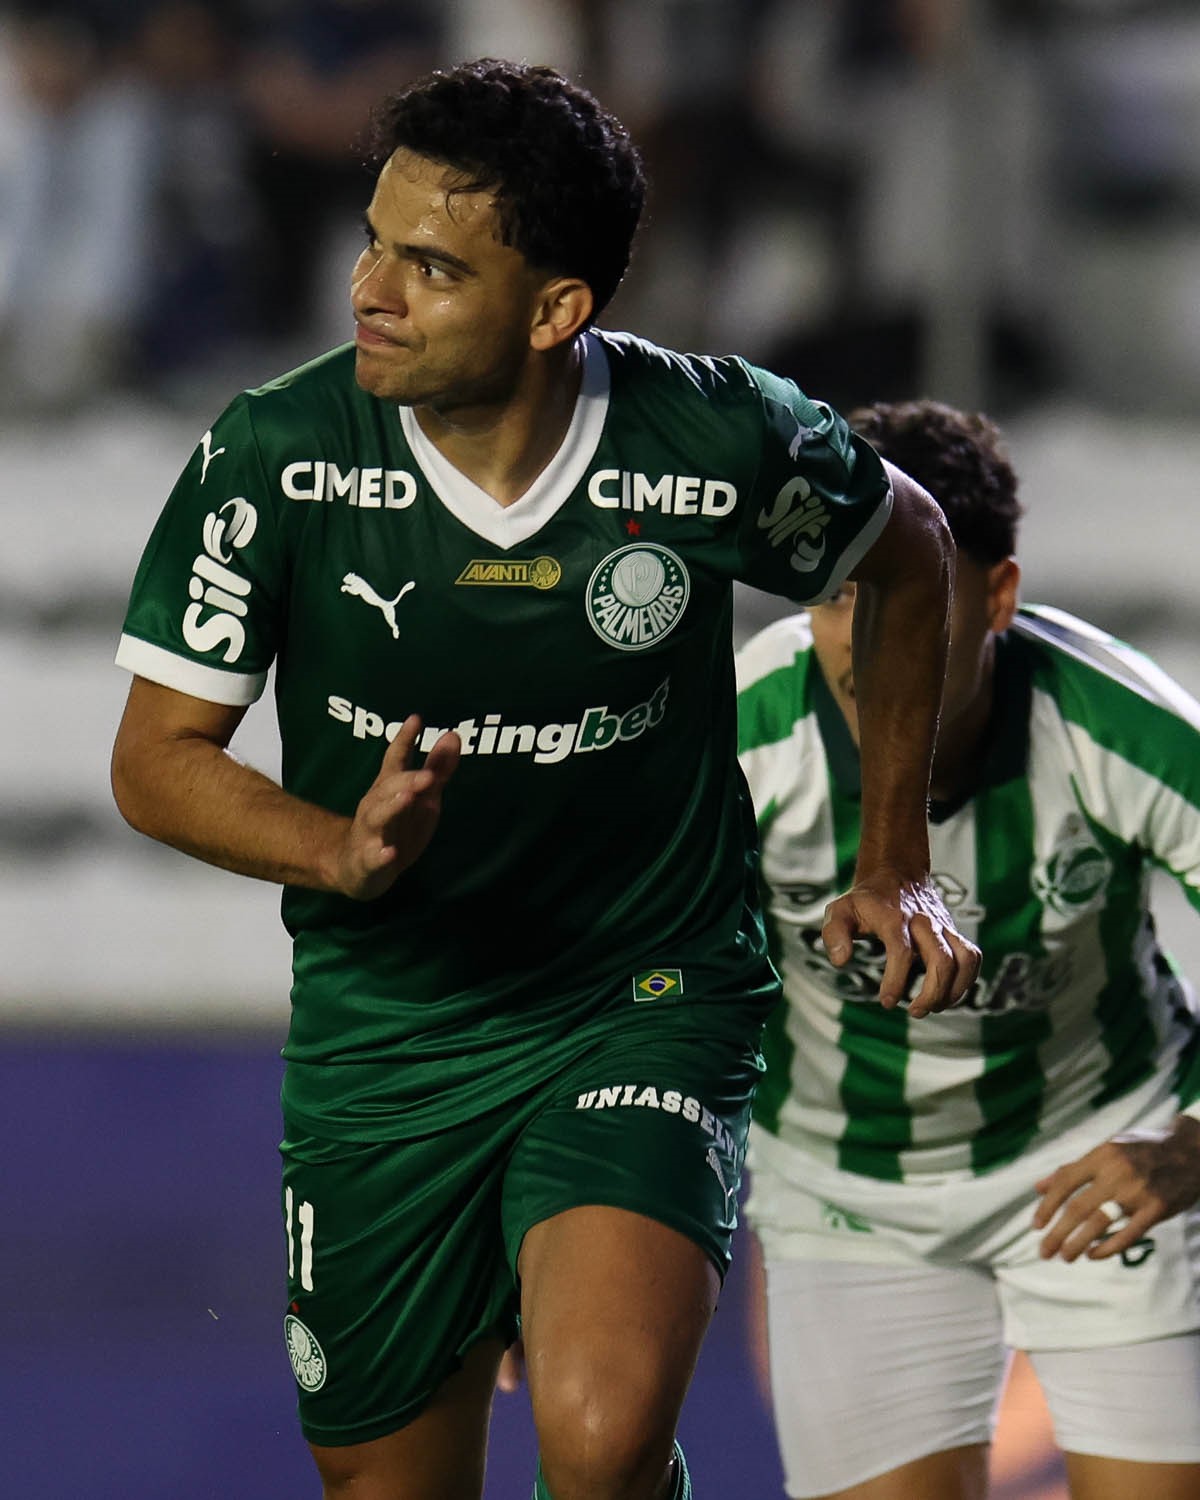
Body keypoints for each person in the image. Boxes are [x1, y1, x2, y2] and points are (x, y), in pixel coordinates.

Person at [109, 61, 978, 1500]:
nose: (370, 289)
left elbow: (912, 548)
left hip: (640, 995)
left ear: (555, 309)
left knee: (600, 1428)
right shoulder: (275, 459)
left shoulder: (709, 442)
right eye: (373, 242)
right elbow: (154, 762)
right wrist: (340, 850)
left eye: (431, 265)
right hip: (388, 1034)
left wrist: (896, 858)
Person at [735, 398, 1200, 1500]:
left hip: (1098, 1149)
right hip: (847, 1193)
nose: (871, 636)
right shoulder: (736, 732)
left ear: (1000, 597)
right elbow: (597, 975)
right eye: (843, 594)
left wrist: (1194, 1145)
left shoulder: (1121, 729)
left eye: (915, 593)